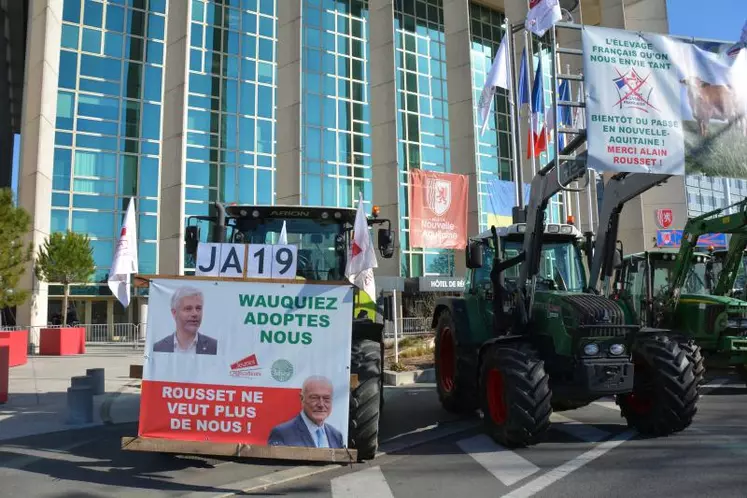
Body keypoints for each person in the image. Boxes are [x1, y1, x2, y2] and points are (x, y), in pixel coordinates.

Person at [267, 375, 343, 448]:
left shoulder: (336, 436)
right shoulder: (282, 434)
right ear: (302, 399)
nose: (321, 404)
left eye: (326, 398)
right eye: (314, 398)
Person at [152, 286, 218, 355]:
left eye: (198, 308)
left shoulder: (214, 347)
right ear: (174, 313)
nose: (195, 314)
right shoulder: (158, 348)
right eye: (188, 309)